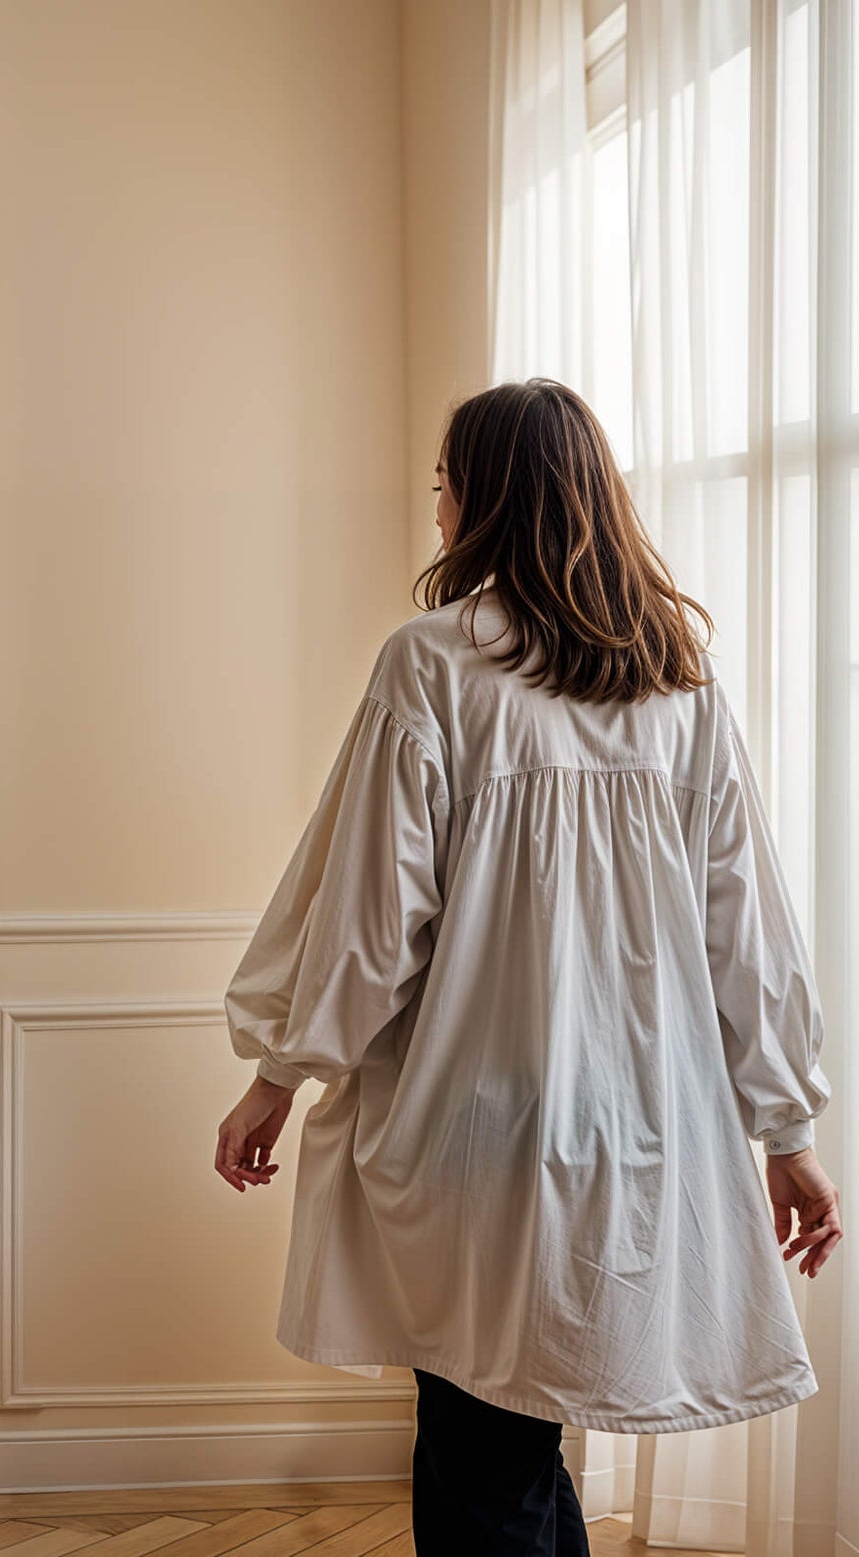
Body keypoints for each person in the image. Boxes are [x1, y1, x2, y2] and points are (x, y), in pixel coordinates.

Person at [215, 378, 840, 1556]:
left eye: (445, 482)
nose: (436, 508)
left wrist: (276, 1075)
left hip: (479, 1123)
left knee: (480, 1444)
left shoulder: (431, 667)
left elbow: (366, 921)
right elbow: (744, 928)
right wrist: (786, 1130)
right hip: (636, 1127)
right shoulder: (675, 680)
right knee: (517, 1431)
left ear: (490, 497)